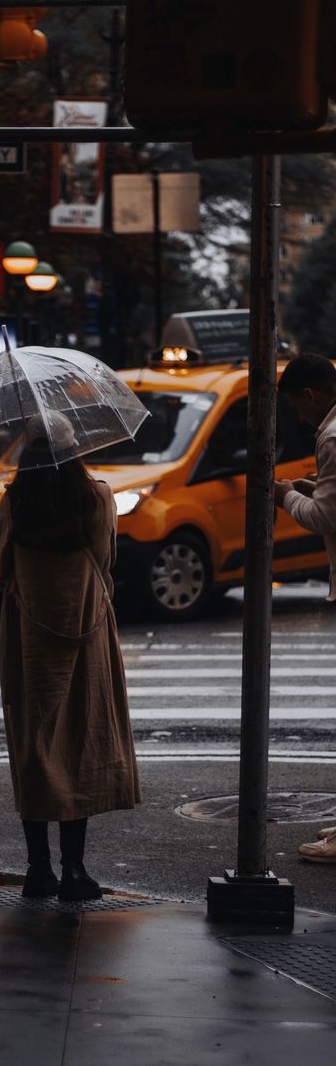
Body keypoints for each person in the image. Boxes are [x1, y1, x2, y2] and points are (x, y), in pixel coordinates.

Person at [0, 411, 141, 900]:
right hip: (87, 624)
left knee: (34, 741)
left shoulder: (15, 500)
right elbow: (105, 557)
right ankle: (75, 870)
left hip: (28, 634)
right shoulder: (96, 495)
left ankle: (38, 870)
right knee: (82, 735)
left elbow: (1, 565)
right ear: (73, 450)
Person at [275, 353, 336, 864]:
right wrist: (314, 489)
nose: (297, 417)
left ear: (310, 395)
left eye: (296, 405)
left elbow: (323, 519)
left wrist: (285, 497)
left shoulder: (331, 436)